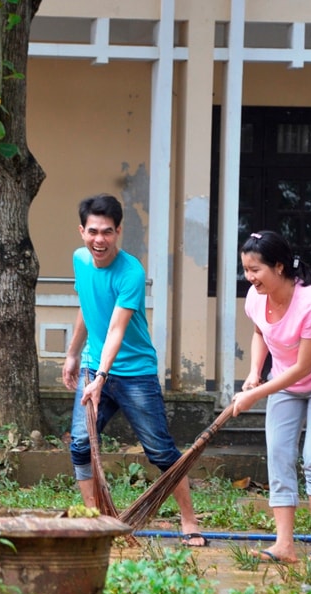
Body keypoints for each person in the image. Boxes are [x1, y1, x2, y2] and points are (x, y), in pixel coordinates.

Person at [62, 193, 207, 547]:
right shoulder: (80, 260)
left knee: (160, 451)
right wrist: (72, 354)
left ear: (119, 231)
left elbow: (116, 328)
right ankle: (92, 520)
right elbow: (86, 307)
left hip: (135, 373)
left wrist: (100, 378)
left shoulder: (131, 272)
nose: (100, 240)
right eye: (93, 231)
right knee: (80, 447)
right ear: (82, 231)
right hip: (96, 368)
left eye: (108, 232)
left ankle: (189, 520)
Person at [231, 230, 311, 566]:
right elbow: (260, 332)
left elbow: (303, 368)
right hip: (283, 380)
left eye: (256, 270)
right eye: (246, 269)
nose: (249, 277)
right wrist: (255, 371)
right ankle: (284, 544)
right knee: (279, 455)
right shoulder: (256, 298)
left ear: (280, 267)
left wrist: (255, 394)